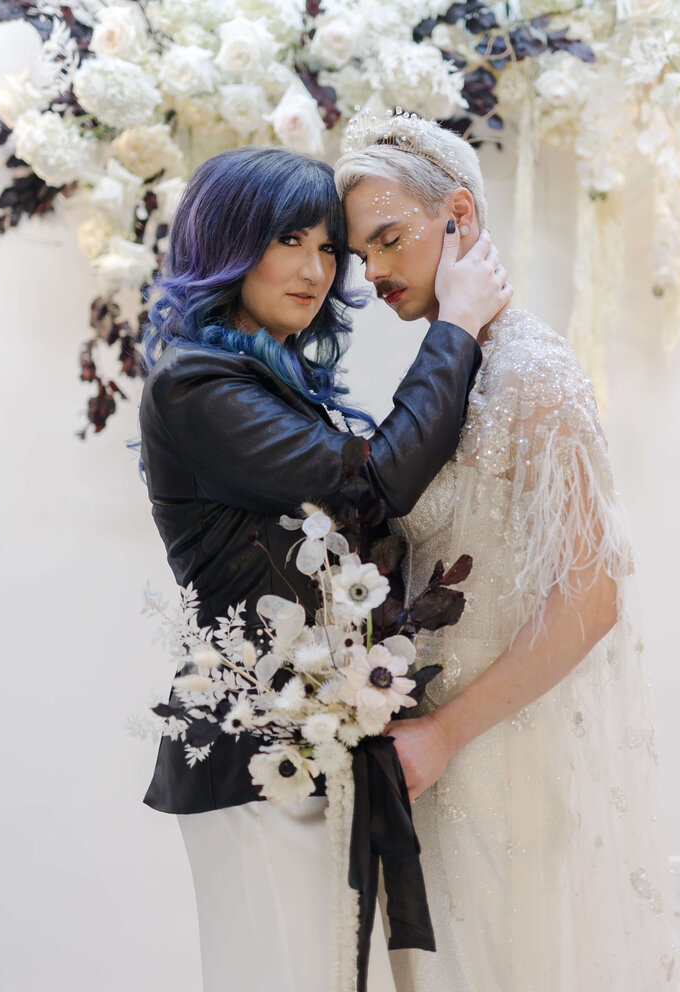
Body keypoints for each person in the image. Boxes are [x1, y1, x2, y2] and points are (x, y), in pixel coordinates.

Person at [137, 145, 511, 992]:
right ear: (230, 243)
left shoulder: (268, 382)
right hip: (256, 757)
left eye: (328, 248)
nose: (317, 270)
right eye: (289, 241)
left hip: (320, 747)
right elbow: (372, 483)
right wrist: (454, 325)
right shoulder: (196, 385)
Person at [335, 110, 680, 992]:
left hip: (495, 751)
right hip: (433, 755)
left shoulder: (534, 372)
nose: (373, 272)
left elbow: (593, 595)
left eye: (390, 240)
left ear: (459, 216)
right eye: (360, 255)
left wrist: (447, 734)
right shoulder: (462, 367)